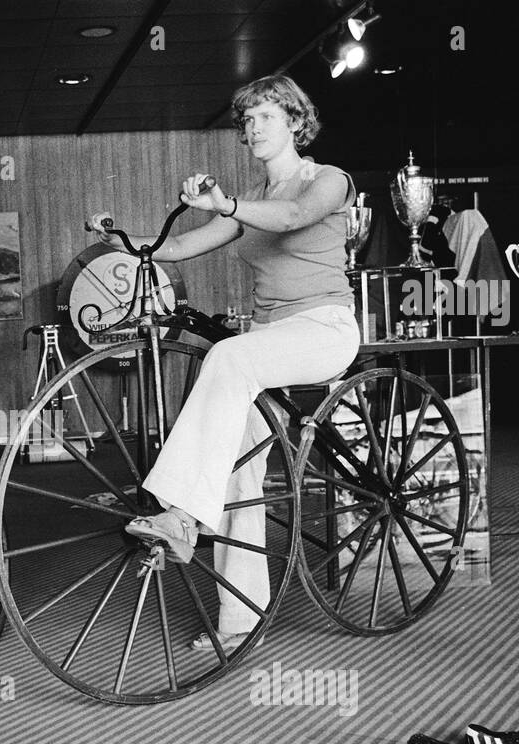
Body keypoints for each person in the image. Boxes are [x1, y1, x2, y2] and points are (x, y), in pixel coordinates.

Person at [88, 73, 360, 652]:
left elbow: (290, 219)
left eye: (265, 116)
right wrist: (121, 242)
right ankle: (239, 624)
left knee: (227, 354)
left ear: (294, 121)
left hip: (323, 329)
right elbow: (181, 247)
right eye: (247, 120)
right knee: (239, 473)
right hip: (268, 340)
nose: (253, 128)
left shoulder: (328, 180)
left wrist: (226, 203)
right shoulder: (248, 201)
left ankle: (181, 516)